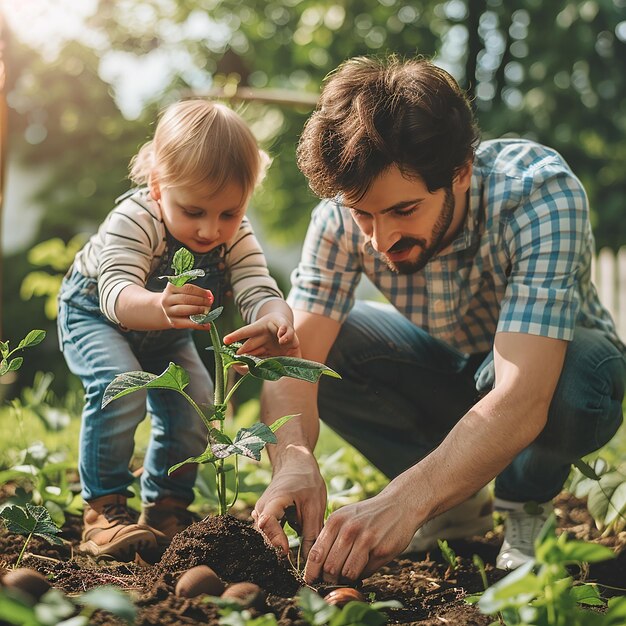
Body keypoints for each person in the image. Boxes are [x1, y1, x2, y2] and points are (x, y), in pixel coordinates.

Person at [252, 55, 626, 582]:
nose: (380, 240)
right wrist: (291, 456)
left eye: (404, 211)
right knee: (321, 347)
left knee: (577, 379)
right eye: (364, 214)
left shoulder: (538, 195)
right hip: (454, 374)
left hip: (543, 376)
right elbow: (295, 364)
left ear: (461, 172)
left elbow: (521, 396)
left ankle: (525, 504)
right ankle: (454, 505)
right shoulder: (339, 219)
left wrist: (403, 500)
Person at [57, 99, 299, 561]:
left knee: (196, 405)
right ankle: (103, 510)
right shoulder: (136, 218)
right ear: (156, 186)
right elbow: (114, 292)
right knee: (118, 387)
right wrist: (158, 305)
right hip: (95, 313)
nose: (211, 230)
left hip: (164, 329)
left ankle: (166, 507)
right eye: (194, 211)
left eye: (229, 213)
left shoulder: (235, 235)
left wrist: (275, 314)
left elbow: (255, 285)